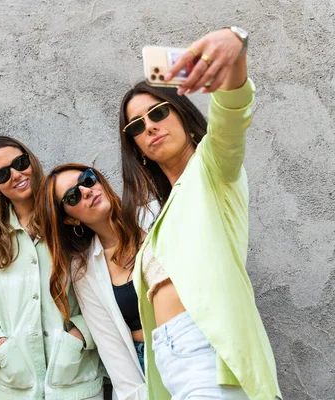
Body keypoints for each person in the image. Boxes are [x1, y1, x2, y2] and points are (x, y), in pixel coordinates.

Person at [119, 28, 281, 399]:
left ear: (182, 115)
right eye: (137, 126)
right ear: (138, 147)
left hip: (208, 350)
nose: (150, 127)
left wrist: (234, 43)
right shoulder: (160, 215)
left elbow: (232, 116)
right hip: (169, 360)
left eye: (158, 112)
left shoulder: (212, 169)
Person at [0, 136, 104, 399]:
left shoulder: (67, 213)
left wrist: (78, 336)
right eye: (3, 174)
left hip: (76, 383)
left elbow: (105, 285)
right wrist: (2, 348)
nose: (16, 175)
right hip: (14, 387)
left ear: (31, 160)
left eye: (20, 162)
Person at [39, 164, 147, 400]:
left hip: (197, 344)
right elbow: (114, 352)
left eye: (87, 180)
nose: (86, 191)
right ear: (69, 220)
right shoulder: (85, 271)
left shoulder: (152, 217)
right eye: (72, 196)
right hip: (145, 364)